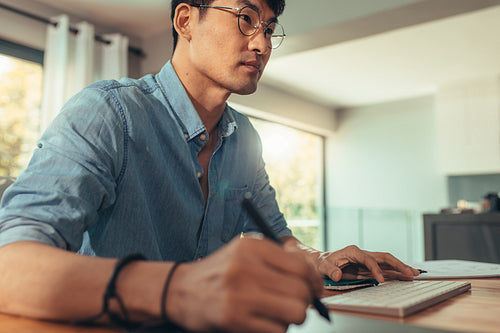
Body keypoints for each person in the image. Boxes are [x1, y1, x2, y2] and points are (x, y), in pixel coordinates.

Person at [0, 0, 420, 332]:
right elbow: (9, 267)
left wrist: (320, 259)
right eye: (245, 18)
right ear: (185, 20)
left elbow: (274, 238)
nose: (262, 44)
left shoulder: (245, 138)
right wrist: (180, 290)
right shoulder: (109, 112)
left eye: (269, 28)